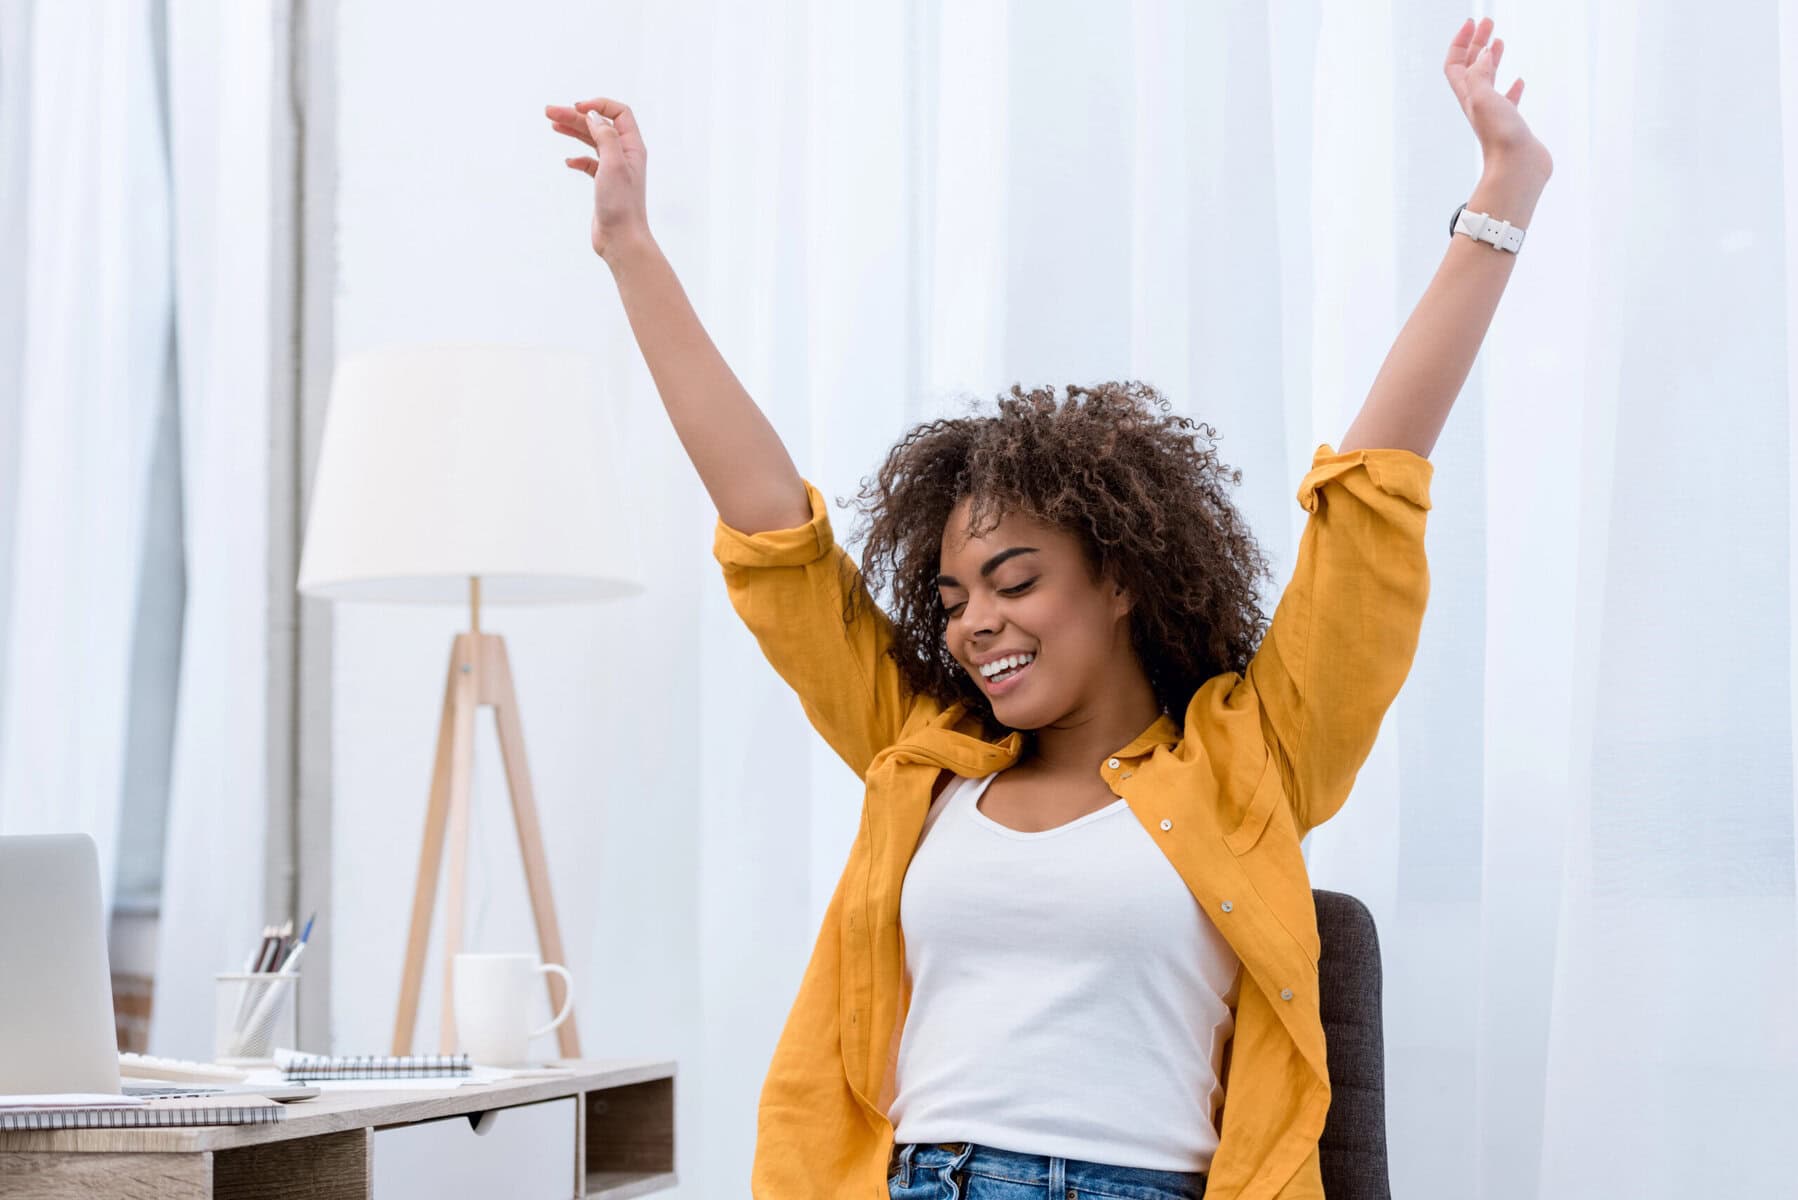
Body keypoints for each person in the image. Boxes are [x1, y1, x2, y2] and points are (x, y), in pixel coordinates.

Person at [545, 15, 1549, 1199]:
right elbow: (772, 534)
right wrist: (630, 250)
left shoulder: (1252, 759)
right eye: (954, 594)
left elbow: (1373, 490)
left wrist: (1504, 190)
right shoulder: (920, 760)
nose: (976, 621)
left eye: (1016, 581)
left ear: (1123, 578)